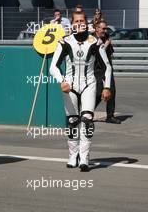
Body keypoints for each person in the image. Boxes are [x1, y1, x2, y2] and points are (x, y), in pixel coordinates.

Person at [49, 11, 112, 172]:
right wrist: (61, 81)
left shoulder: (95, 42)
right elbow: (53, 67)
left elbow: (107, 67)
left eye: (82, 20)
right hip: (69, 86)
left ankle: (84, 157)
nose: (79, 23)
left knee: (87, 120)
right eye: (76, 21)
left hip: (89, 85)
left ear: (86, 22)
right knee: (72, 121)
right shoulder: (64, 42)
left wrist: (106, 87)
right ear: (72, 23)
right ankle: (72, 155)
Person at [94, 20, 121, 124]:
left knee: (112, 92)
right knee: (98, 93)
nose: (105, 30)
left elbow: (109, 53)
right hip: (97, 69)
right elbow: (97, 54)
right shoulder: (92, 38)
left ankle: (110, 116)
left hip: (107, 69)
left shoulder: (106, 37)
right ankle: (87, 112)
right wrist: (106, 44)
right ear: (97, 28)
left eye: (106, 28)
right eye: (103, 28)